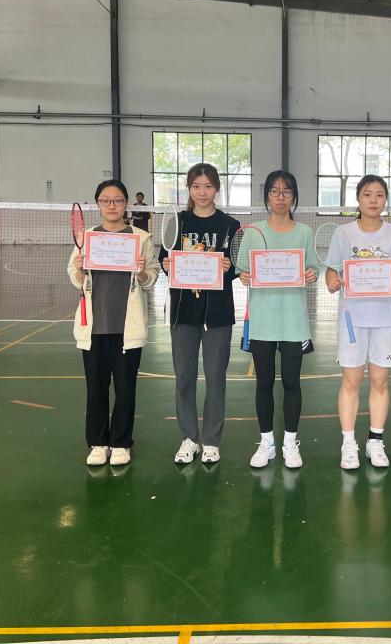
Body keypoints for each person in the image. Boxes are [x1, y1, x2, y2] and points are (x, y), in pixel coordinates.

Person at [326, 175, 391, 470]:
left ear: (386, 200)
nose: (373, 200)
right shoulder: (343, 233)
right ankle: (348, 443)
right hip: (352, 320)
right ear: (358, 199)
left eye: (379, 194)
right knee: (351, 381)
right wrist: (332, 281)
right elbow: (331, 273)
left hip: (386, 319)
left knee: (380, 381)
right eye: (367, 194)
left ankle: (375, 441)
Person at [68, 179, 159, 466]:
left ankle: (120, 443)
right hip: (94, 328)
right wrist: (80, 269)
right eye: (106, 200)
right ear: (98, 204)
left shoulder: (141, 238)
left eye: (118, 200)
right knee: (95, 389)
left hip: (127, 328)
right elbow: (74, 276)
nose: (112, 206)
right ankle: (97, 443)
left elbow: (151, 278)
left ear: (126, 204)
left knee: (125, 389)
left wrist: (142, 272)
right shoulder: (87, 237)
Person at [158, 163, 239, 465]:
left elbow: (238, 264)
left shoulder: (230, 224)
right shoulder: (177, 222)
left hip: (218, 315)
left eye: (208, 186)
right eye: (196, 186)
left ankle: (212, 441)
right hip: (183, 313)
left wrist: (230, 268)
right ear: (189, 189)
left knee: (216, 378)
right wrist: (166, 265)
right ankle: (189, 438)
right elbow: (164, 258)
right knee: (184, 377)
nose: (202, 192)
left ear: (216, 188)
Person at [236, 170, 318, 469]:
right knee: (264, 383)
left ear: (294, 196)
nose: (280, 197)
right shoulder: (253, 232)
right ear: (267, 196)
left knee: (293, 383)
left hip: (293, 321)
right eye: (274, 191)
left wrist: (311, 274)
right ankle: (267, 442)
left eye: (286, 191)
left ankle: (290, 443)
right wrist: (244, 276)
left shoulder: (305, 233)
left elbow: (312, 269)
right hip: (262, 321)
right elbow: (243, 271)